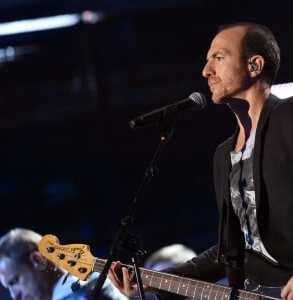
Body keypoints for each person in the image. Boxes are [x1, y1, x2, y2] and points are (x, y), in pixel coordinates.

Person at [107, 22, 293, 300]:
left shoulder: (287, 118)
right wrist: (153, 282)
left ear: (254, 66)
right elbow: (229, 252)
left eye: (218, 57)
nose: (206, 71)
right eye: (207, 60)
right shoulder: (223, 156)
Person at [0, 228, 129, 300]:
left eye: (15, 281)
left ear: (38, 260)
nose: (14, 296)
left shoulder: (80, 293)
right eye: (8, 288)